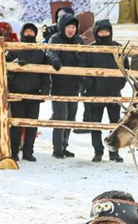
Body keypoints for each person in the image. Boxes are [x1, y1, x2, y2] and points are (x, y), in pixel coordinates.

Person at [5, 23, 51, 162]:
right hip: (17, 93)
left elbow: (45, 73)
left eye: (32, 31)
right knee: (17, 125)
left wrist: (44, 90)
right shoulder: (15, 48)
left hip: (34, 93)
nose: (29, 33)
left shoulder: (39, 52)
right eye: (27, 31)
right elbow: (5, 63)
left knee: (31, 125)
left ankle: (28, 152)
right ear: (22, 33)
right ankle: (13, 152)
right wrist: (15, 62)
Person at [83, 19, 125, 163]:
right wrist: (91, 86)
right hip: (95, 93)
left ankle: (114, 152)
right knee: (96, 124)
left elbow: (125, 68)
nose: (104, 34)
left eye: (106, 31)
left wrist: (120, 84)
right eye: (101, 31)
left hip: (114, 93)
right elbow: (85, 70)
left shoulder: (117, 48)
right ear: (96, 33)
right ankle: (97, 151)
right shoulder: (90, 49)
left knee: (114, 125)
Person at [46, 13, 87, 159]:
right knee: (60, 117)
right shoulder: (55, 38)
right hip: (60, 85)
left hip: (74, 86)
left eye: (73, 27)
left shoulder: (78, 40)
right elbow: (50, 52)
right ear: (62, 27)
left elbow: (84, 57)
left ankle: (64, 145)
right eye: (68, 27)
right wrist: (55, 61)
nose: (71, 30)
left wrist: (83, 67)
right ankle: (57, 149)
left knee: (70, 117)